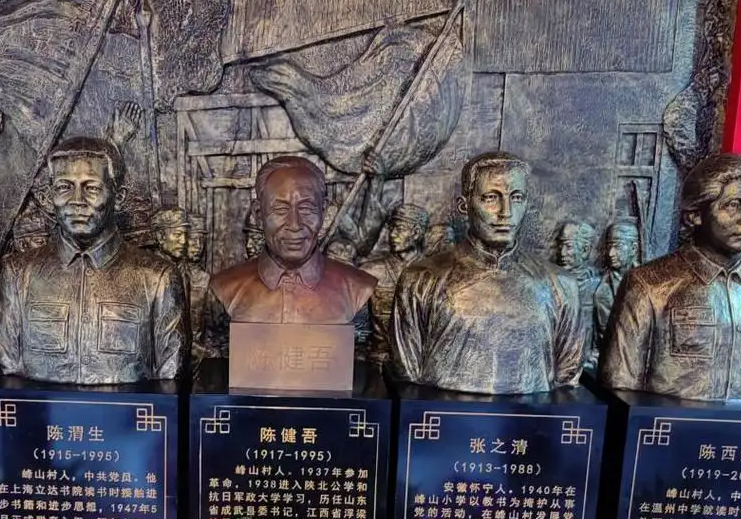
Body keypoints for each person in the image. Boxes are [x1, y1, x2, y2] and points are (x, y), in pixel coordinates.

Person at [599, 153, 741, 401]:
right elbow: (619, 385)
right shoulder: (648, 284)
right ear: (695, 215)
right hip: (668, 423)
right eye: (732, 205)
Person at [0, 136, 188, 384]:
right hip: (43, 408)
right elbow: (8, 361)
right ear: (50, 196)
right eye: (64, 187)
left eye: (91, 188)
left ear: (118, 196)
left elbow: (169, 371)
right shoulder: (18, 274)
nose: (77, 201)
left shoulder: (158, 278)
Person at [390, 151, 583, 394]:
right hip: (443, 413)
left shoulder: (561, 285)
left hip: (528, 416)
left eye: (517, 197)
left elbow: (567, 375)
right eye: (491, 197)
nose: (506, 212)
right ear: (464, 205)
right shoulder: (419, 280)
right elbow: (407, 371)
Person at [206, 156, 376, 353]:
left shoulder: (358, 290)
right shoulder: (224, 289)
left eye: (306, 208)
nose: (294, 224)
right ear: (259, 214)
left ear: (324, 212)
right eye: (280, 209)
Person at [360, 204, 430, 366]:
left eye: (400, 229)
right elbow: (357, 329)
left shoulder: (434, 273)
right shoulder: (370, 271)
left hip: (421, 365)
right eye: (391, 228)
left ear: (416, 233)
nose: (392, 235)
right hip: (378, 363)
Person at [151, 207, 210, 360]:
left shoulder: (186, 272)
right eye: (177, 235)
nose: (183, 241)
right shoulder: (148, 273)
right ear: (160, 236)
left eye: (185, 235)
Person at [592, 220, 639, 361]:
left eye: (617, 246)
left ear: (633, 248)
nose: (611, 253)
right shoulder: (598, 287)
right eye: (609, 247)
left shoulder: (649, 283)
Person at [553, 220, 599, 363]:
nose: (562, 253)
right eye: (560, 245)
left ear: (585, 250)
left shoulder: (597, 286)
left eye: (569, 246)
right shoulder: (550, 284)